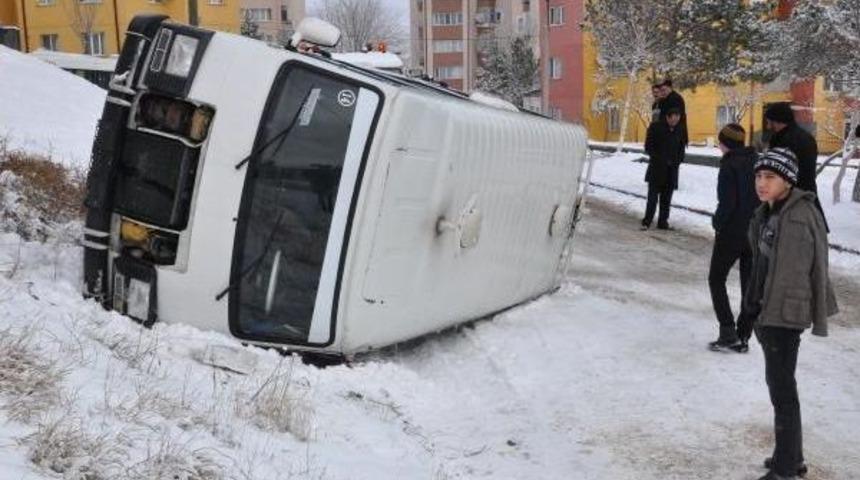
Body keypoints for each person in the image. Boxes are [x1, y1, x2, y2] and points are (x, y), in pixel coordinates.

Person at [742, 147, 838, 480]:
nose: (761, 183)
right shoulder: (770, 212)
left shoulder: (797, 216)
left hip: (784, 314)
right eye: (758, 176)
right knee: (780, 385)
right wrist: (750, 309)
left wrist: (773, 312)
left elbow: (800, 273)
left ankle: (786, 468)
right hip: (769, 311)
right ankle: (791, 456)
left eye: (770, 177)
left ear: (788, 180)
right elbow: (761, 266)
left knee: (782, 390)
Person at [707, 124, 759, 353]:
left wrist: (717, 223)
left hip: (733, 231)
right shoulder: (757, 161)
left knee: (716, 278)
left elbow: (727, 202)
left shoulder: (729, 164)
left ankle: (728, 332)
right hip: (756, 231)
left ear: (724, 142)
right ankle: (744, 335)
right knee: (749, 284)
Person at [764, 102, 828, 229]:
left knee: (791, 240)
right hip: (807, 196)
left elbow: (780, 175)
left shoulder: (783, 141)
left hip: (790, 201)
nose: (767, 125)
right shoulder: (806, 137)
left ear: (777, 120)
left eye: (769, 121)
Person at [642, 108, 684, 230]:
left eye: (678, 118)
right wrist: (660, 159)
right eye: (673, 118)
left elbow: (681, 148)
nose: (675, 121)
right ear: (667, 117)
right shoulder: (656, 127)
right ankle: (647, 221)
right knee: (652, 199)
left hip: (671, 171)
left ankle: (663, 222)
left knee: (666, 199)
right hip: (657, 169)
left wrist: (678, 160)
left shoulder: (680, 130)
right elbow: (648, 147)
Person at [659, 79, 688, 146]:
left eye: (664, 90)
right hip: (672, 135)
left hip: (675, 135)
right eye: (661, 91)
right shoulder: (665, 99)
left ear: (670, 88)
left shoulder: (675, 99)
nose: (663, 92)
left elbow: (674, 118)